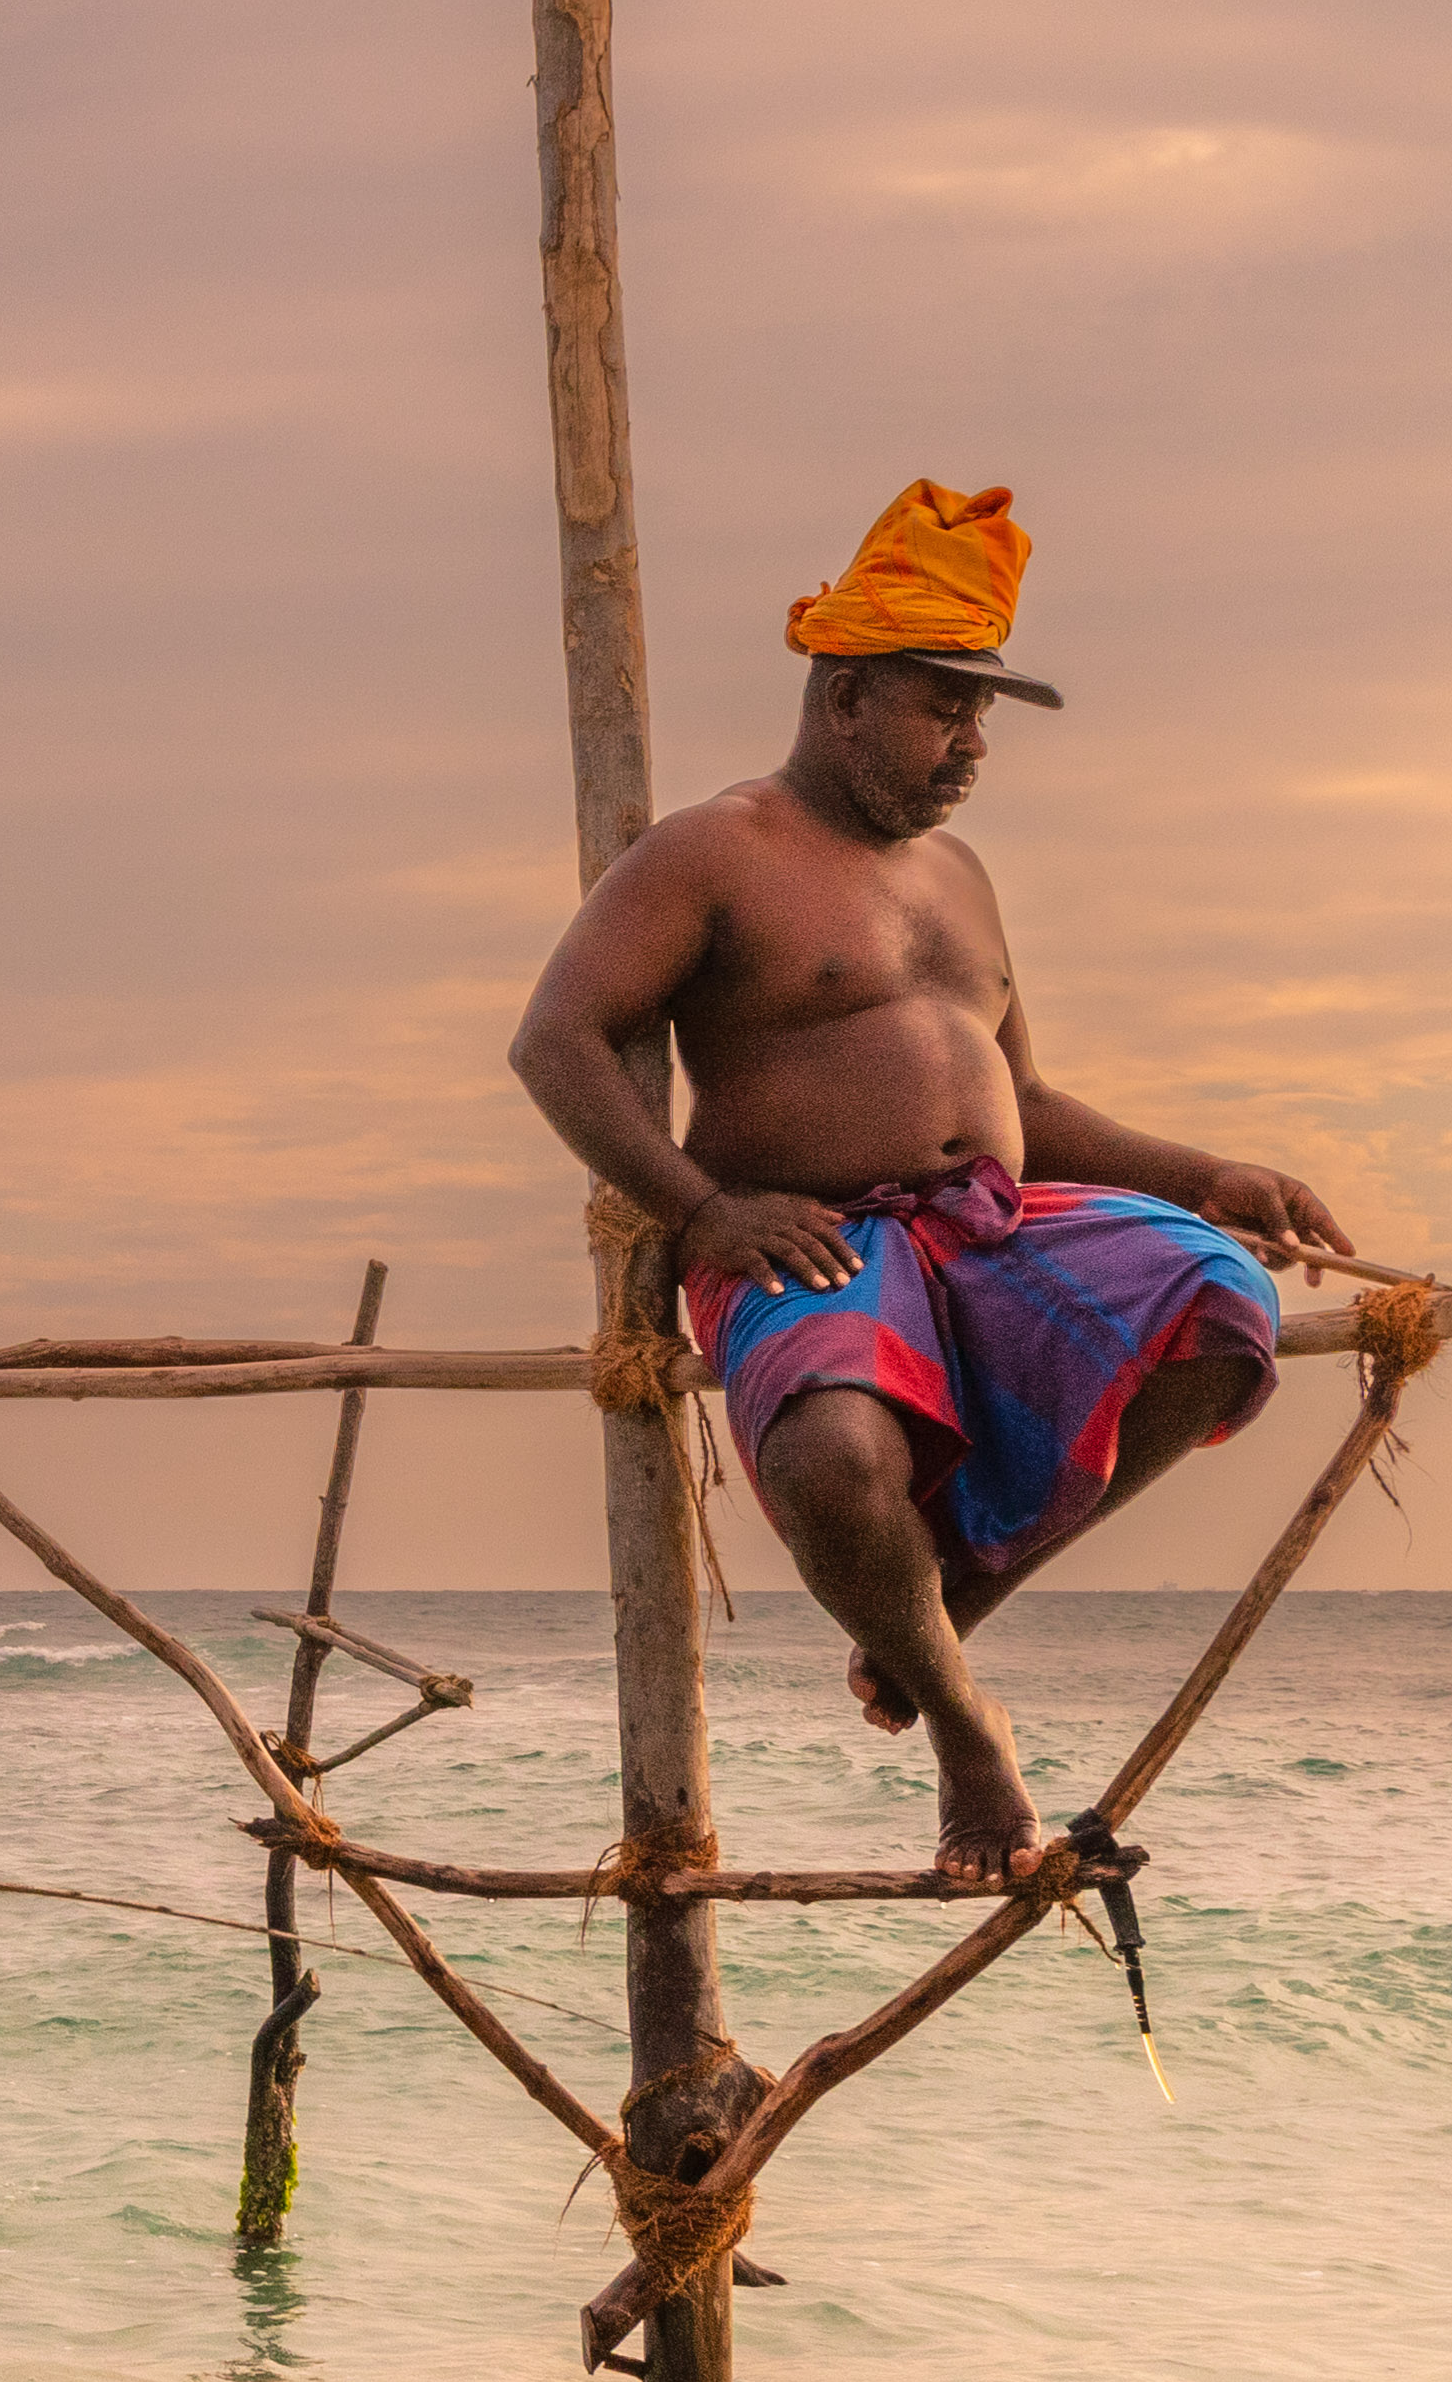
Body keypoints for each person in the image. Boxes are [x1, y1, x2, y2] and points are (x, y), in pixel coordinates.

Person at [510, 479, 1354, 1889]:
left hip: (998, 1229)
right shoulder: (719, 851)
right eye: (941, 708)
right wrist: (702, 1213)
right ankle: (966, 1724)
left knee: (1221, 1305)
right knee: (838, 1459)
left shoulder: (960, 874)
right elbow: (557, 1040)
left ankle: (949, 1606)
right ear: (844, 696)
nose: (971, 746)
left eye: (983, 718)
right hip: (813, 1237)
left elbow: (1028, 1101)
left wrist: (1210, 1173)